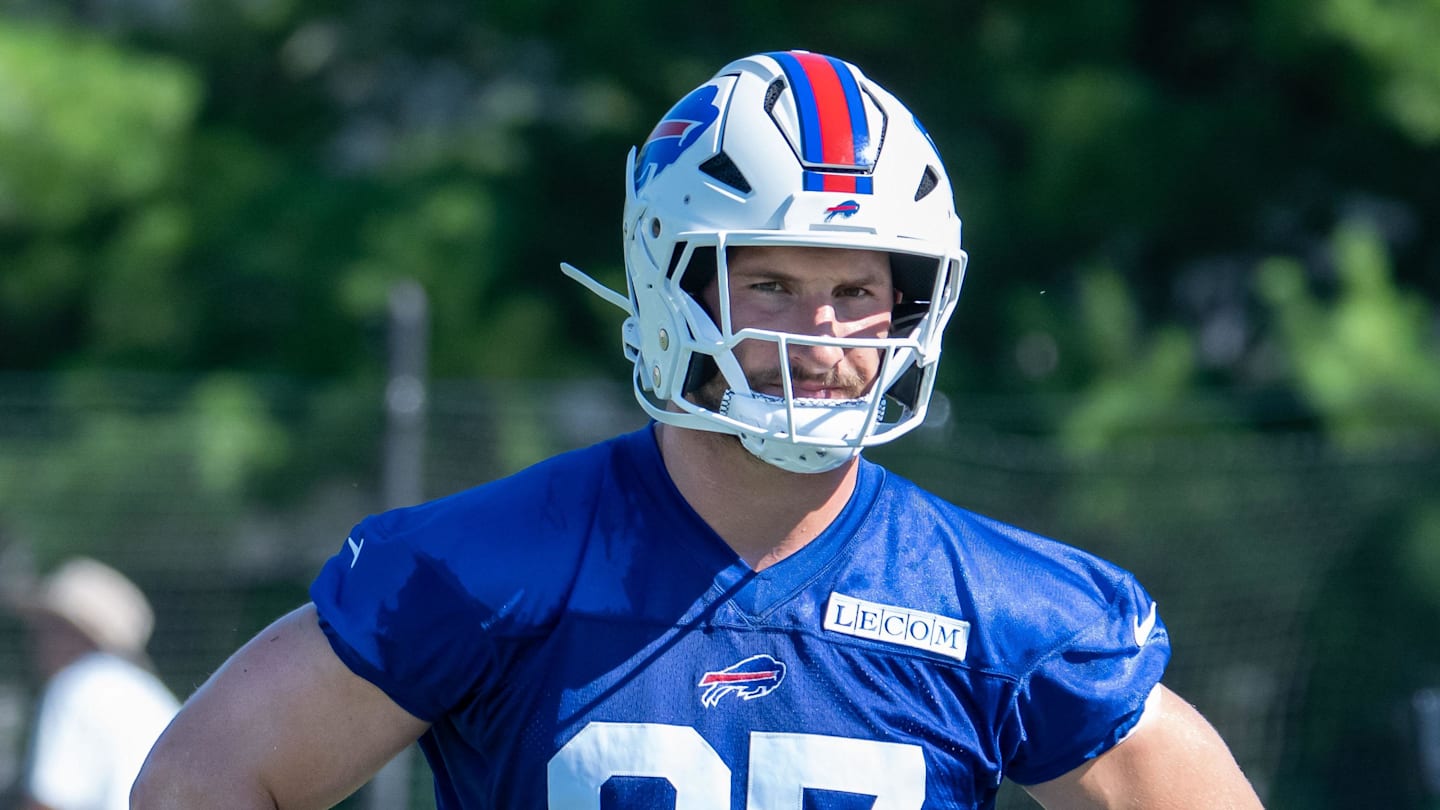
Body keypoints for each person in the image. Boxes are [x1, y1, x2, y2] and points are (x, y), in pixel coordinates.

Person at [132, 50, 1263, 809]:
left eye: (859, 293)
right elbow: (205, 782)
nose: (820, 336)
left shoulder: (999, 606)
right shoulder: (492, 566)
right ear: (671, 285)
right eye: (766, 283)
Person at [10, 557, 179, 810]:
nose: (35, 642)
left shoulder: (77, 685)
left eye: (48, 627)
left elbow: (50, 803)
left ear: (74, 632)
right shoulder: (146, 690)